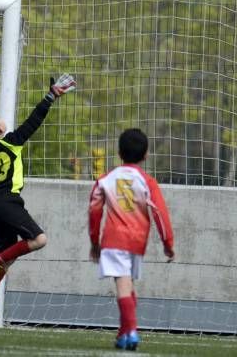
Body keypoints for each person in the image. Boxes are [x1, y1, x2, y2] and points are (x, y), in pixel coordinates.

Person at [0, 74, 76, 326]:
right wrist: (50, 96)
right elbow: (33, 121)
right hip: (8, 201)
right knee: (38, 240)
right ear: (1, 130)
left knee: (8, 253)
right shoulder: (12, 142)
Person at [88, 128, 175, 351]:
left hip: (114, 241)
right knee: (128, 286)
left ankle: (132, 331)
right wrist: (168, 243)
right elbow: (160, 214)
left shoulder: (106, 179)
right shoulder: (147, 181)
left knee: (123, 286)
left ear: (119, 153)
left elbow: (94, 211)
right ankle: (122, 335)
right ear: (146, 155)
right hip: (137, 242)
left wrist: (94, 241)